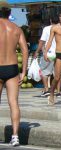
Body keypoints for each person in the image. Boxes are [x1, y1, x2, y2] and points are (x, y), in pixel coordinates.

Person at [0, 7, 28, 146]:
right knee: (13, 102)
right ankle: (15, 136)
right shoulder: (16, 29)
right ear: (9, 14)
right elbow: (25, 50)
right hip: (12, 68)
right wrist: (23, 71)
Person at [34, 16, 61, 97]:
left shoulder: (46, 29)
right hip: (59, 53)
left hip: (49, 53)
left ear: (50, 20)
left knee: (44, 72)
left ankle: (46, 89)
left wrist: (37, 51)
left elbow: (42, 41)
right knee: (58, 73)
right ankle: (58, 92)